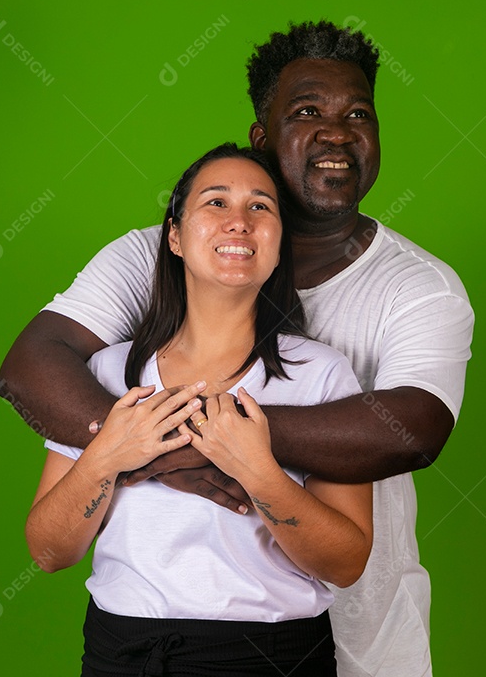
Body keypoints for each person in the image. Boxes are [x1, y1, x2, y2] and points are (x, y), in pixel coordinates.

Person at [0, 20, 475, 676]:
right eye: (307, 112)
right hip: (129, 646)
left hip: (352, 637)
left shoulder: (412, 293)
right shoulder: (142, 271)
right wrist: (127, 447)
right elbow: (30, 369)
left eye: (358, 115)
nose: (337, 133)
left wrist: (211, 442)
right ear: (262, 137)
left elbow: (411, 431)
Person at [26, 143, 373, 675]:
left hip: (269, 658)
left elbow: (346, 564)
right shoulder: (106, 373)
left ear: (279, 244)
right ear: (174, 236)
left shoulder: (322, 374)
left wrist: (257, 471)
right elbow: (50, 552)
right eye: (215, 202)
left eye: (260, 207)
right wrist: (106, 456)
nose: (239, 221)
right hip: (122, 655)